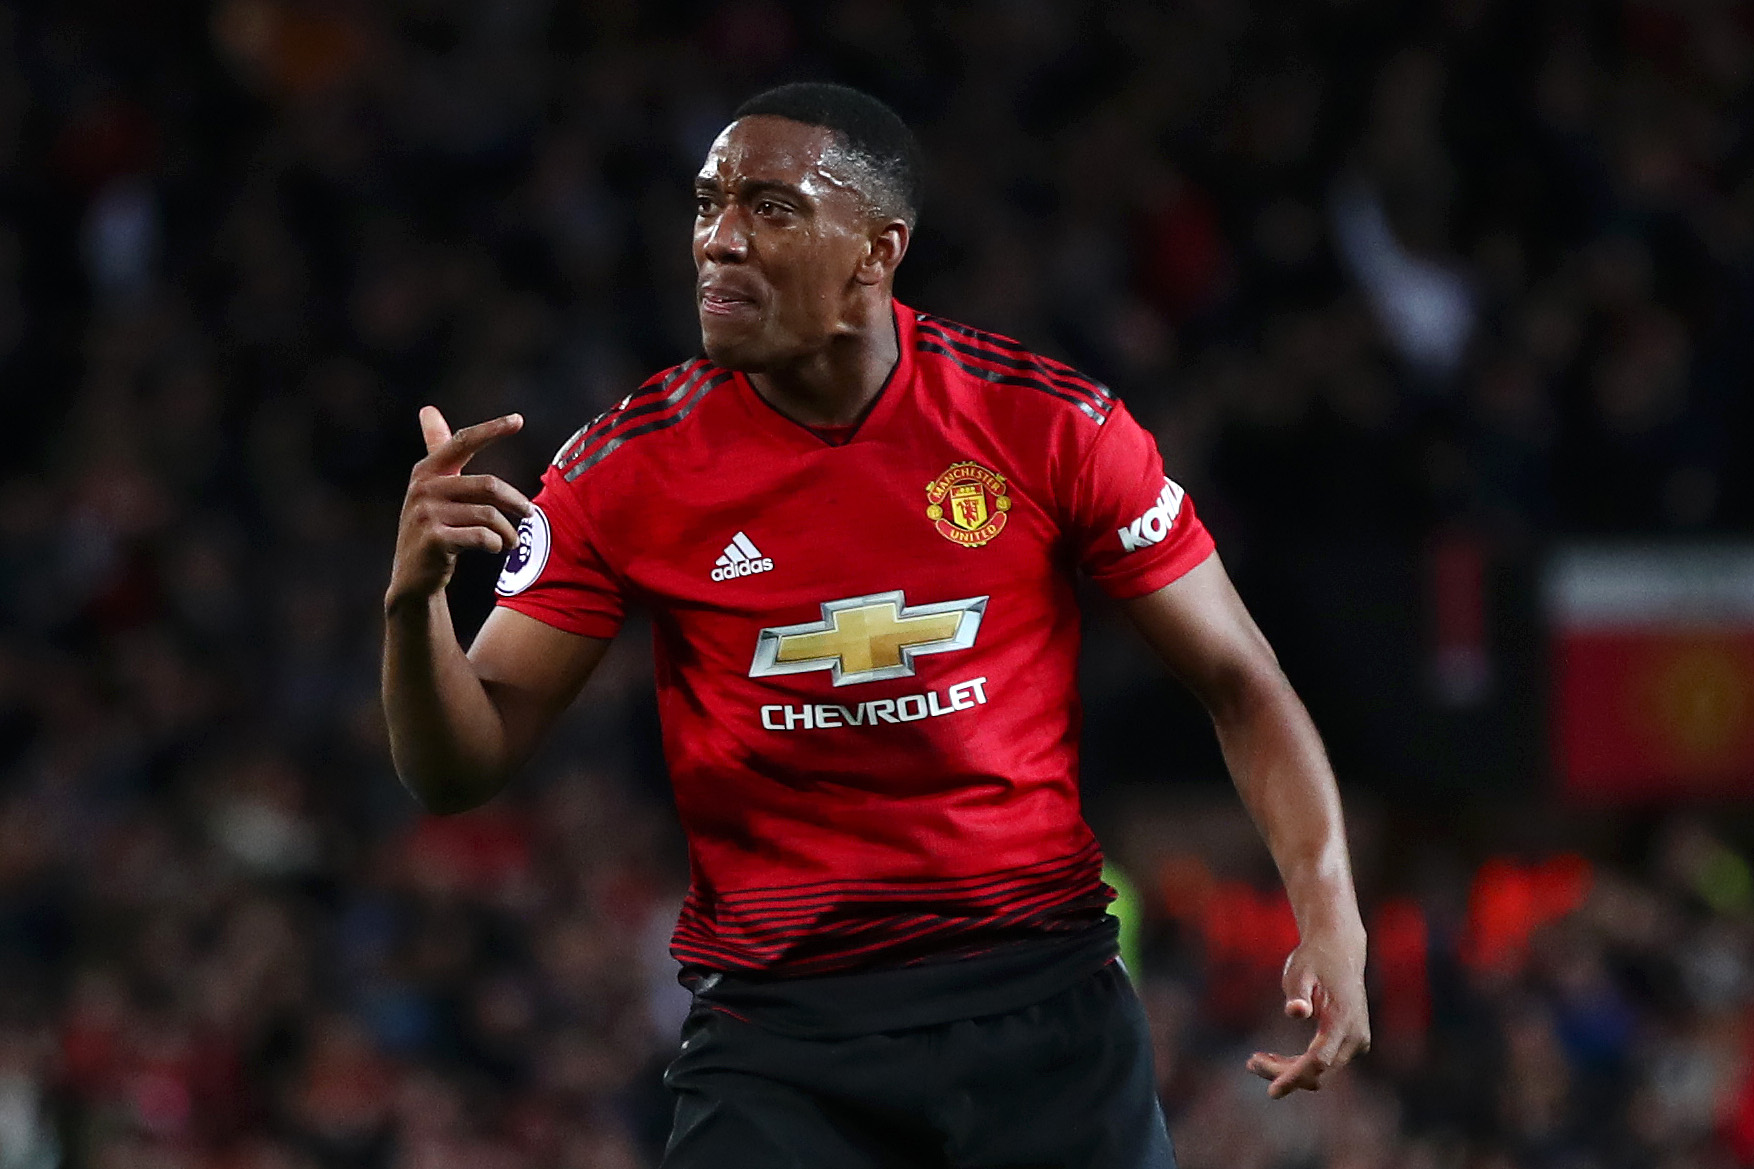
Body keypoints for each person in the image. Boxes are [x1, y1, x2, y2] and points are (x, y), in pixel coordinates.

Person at [382, 82, 1369, 1168]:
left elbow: (1241, 681)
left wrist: (1327, 913)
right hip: (778, 1042)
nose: (718, 240)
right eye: (708, 203)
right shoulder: (622, 468)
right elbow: (456, 767)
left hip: (1041, 1019)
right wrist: (413, 601)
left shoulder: (1046, 426)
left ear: (876, 248)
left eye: (770, 207)